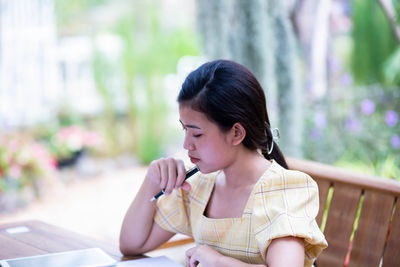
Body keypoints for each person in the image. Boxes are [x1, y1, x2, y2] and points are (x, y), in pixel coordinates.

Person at [119, 59, 327, 267]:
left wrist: (218, 262)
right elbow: (132, 245)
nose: (186, 144)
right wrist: (152, 181)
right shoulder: (199, 185)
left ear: (236, 133)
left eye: (197, 134)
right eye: (185, 130)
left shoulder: (281, 191)